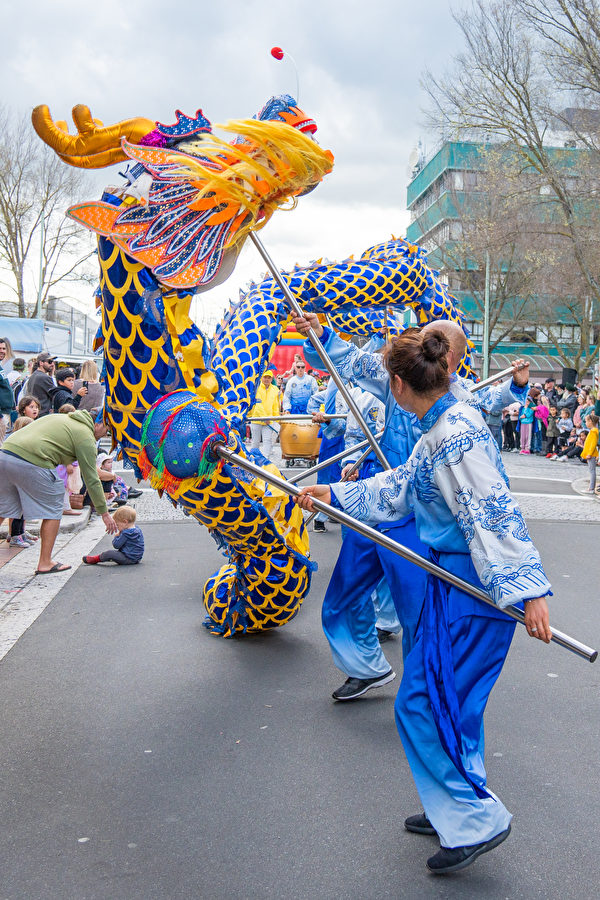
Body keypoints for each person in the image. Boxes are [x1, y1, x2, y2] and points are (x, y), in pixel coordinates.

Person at [296, 327, 551, 875]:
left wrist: (527, 593)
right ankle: (454, 805)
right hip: (453, 581)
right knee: (447, 703)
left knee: (422, 703)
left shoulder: (452, 434)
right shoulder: (441, 423)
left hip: (473, 589)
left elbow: (493, 510)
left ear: (397, 383)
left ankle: (473, 815)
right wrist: (334, 493)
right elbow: (400, 489)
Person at [293, 309, 531, 700]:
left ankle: (425, 689)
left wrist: (526, 587)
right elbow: (349, 360)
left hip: (422, 523)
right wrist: (320, 332)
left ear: (448, 359)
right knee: (343, 593)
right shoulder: (401, 380)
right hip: (379, 497)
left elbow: (493, 509)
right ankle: (369, 667)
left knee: (417, 613)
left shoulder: (459, 419)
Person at [0, 410, 117, 574]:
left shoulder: (64, 418)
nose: (106, 434)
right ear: (98, 423)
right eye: (108, 430)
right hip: (32, 459)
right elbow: (91, 478)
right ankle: (45, 562)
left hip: (5, 454)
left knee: (4, 507)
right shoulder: (86, 436)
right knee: (53, 508)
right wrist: (104, 513)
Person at [249, 370, 280, 460]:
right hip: (256, 419)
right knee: (255, 442)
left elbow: (275, 405)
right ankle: (253, 459)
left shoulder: (275, 389)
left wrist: (276, 419)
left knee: (268, 440)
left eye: (269, 377)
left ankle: (265, 460)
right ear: (261, 378)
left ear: (271, 379)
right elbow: (257, 404)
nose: (266, 379)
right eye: (265, 377)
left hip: (269, 420)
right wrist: (264, 418)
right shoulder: (256, 388)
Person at [581, 414, 599, 493]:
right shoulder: (592, 431)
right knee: (591, 470)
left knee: (592, 471)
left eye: (586, 421)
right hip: (590, 453)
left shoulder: (594, 431)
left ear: (590, 421)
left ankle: (591, 488)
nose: (585, 423)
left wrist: (589, 453)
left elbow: (593, 443)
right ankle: (591, 488)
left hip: (591, 454)